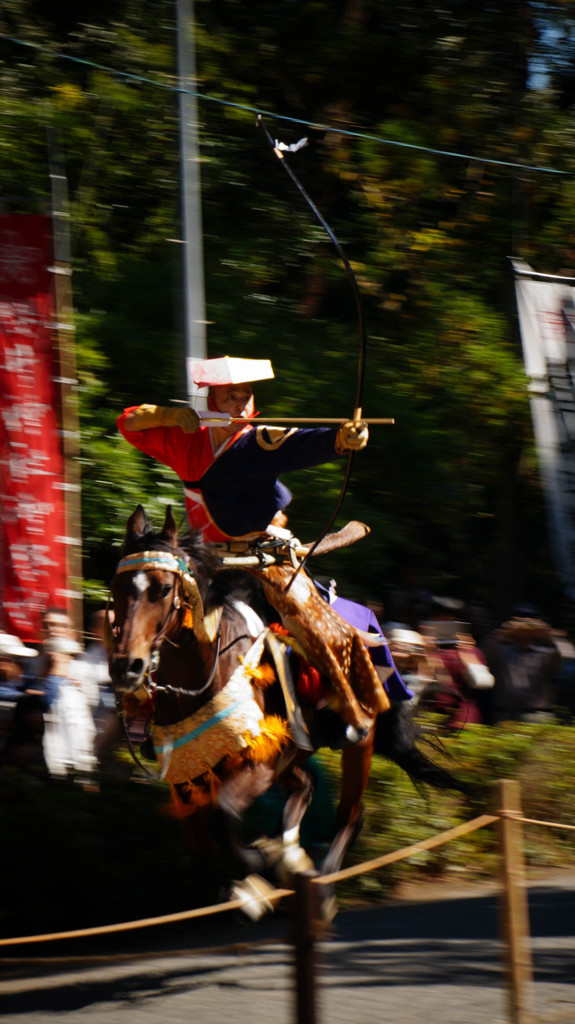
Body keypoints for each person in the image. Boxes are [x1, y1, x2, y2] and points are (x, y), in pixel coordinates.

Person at [117, 355, 368, 543]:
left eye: (246, 397)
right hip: (202, 552)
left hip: (258, 549)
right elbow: (129, 424)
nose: (241, 406)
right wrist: (166, 415)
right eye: (231, 397)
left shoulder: (259, 440)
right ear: (211, 403)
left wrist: (343, 438)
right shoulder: (188, 439)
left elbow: (300, 442)